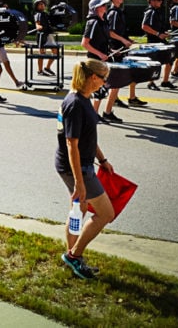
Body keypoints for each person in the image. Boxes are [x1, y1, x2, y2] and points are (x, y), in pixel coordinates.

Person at [55, 59, 116, 279]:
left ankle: (72, 255)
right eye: (103, 78)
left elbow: (88, 137)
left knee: (77, 211)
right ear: (92, 77)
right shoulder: (75, 104)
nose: (104, 83)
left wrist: (103, 159)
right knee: (105, 213)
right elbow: (72, 144)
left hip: (82, 164)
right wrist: (80, 183)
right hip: (76, 168)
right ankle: (74, 256)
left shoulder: (83, 99)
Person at [104, 0, 146, 114]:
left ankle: (124, 98)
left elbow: (119, 32)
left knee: (126, 74)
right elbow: (110, 32)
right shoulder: (113, 13)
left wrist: (128, 40)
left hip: (121, 48)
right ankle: (109, 108)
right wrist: (123, 41)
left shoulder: (119, 12)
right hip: (116, 49)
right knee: (116, 78)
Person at [141, 0, 176, 90]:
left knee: (169, 59)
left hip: (161, 40)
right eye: (158, 0)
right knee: (155, 63)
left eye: (161, 0)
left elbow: (158, 27)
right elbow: (144, 26)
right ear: (152, 2)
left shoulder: (157, 11)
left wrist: (165, 32)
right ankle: (150, 83)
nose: (161, 2)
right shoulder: (150, 12)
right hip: (154, 41)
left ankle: (165, 81)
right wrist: (157, 34)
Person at [33, 0, 58, 76]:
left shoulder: (46, 14)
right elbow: (37, 24)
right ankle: (40, 70)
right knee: (42, 53)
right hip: (42, 35)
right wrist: (38, 26)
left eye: (43, 4)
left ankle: (47, 68)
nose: (42, 5)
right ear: (37, 6)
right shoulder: (38, 14)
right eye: (40, 4)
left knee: (55, 52)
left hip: (49, 35)